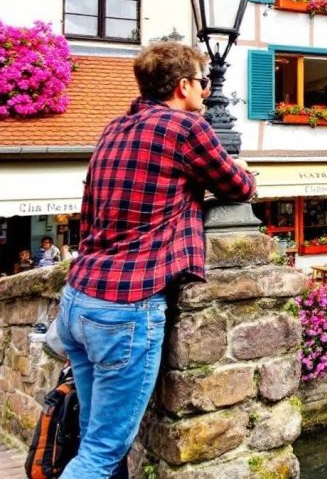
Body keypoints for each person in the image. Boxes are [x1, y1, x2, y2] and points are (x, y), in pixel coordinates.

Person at [55, 42, 256, 478]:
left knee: (93, 436)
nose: (205, 91)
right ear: (183, 86)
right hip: (125, 307)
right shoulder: (186, 127)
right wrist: (244, 170)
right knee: (100, 454)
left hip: (78, 299)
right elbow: (238, 187)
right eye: (202, 82)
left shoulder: (114, 127)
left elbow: (88, 211)